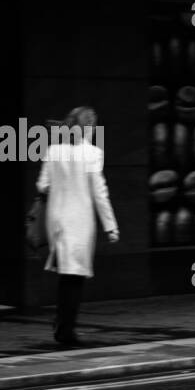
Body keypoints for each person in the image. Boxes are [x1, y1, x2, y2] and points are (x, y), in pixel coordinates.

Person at [35, 106, 119, 346]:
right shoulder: (92, 153)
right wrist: (110, 226)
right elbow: (99, 192)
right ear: (88, 127)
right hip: (79, 222)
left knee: (67, 276)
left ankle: (63, 323)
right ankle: (66, 330)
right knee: (75, 277)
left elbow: (42, 185)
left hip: (57, 221)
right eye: (93, 127)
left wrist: (62, 185)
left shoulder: (53, 150)